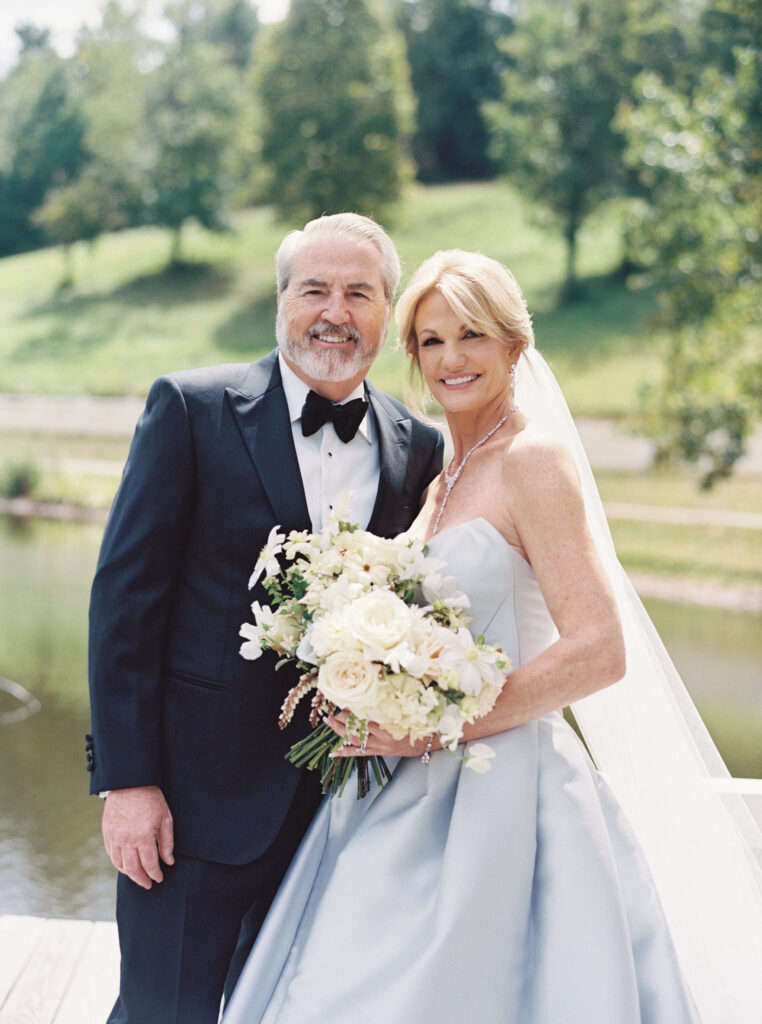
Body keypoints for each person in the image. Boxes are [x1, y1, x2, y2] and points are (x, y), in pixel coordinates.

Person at [223, 250, 762, 1023]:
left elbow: (599, 648)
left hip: (503, 792)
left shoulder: (533, 460)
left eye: (472, 335)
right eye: (431, 341)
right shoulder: (444, 472)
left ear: (516, 345)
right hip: (405, 788)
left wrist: (436, 725)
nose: (451, 358)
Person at [85, 213, 444, 1024]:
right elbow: (125, 604)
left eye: (359, 292)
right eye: (314, 288)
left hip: (341, 811)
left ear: (388, 314)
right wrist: (127, 781)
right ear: (280, 302)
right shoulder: (190, 407)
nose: (334, 310)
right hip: (190, 806)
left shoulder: (415, 448)